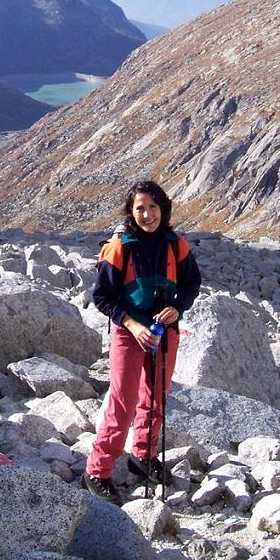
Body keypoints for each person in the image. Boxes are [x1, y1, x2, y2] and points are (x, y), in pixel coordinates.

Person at [83, 179, 201, 504]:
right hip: (129, 331)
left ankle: (143, 456)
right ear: (131, 212)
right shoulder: (120, 247)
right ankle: (97, 470)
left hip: (164, 330)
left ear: (163, 209)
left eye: (152, 207)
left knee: (156, 398)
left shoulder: (176, 245)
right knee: (123, 401)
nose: (147, 214)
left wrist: (177, 308)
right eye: (140, 208)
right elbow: (102, 296)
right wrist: (133, 324)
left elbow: (192, 283)